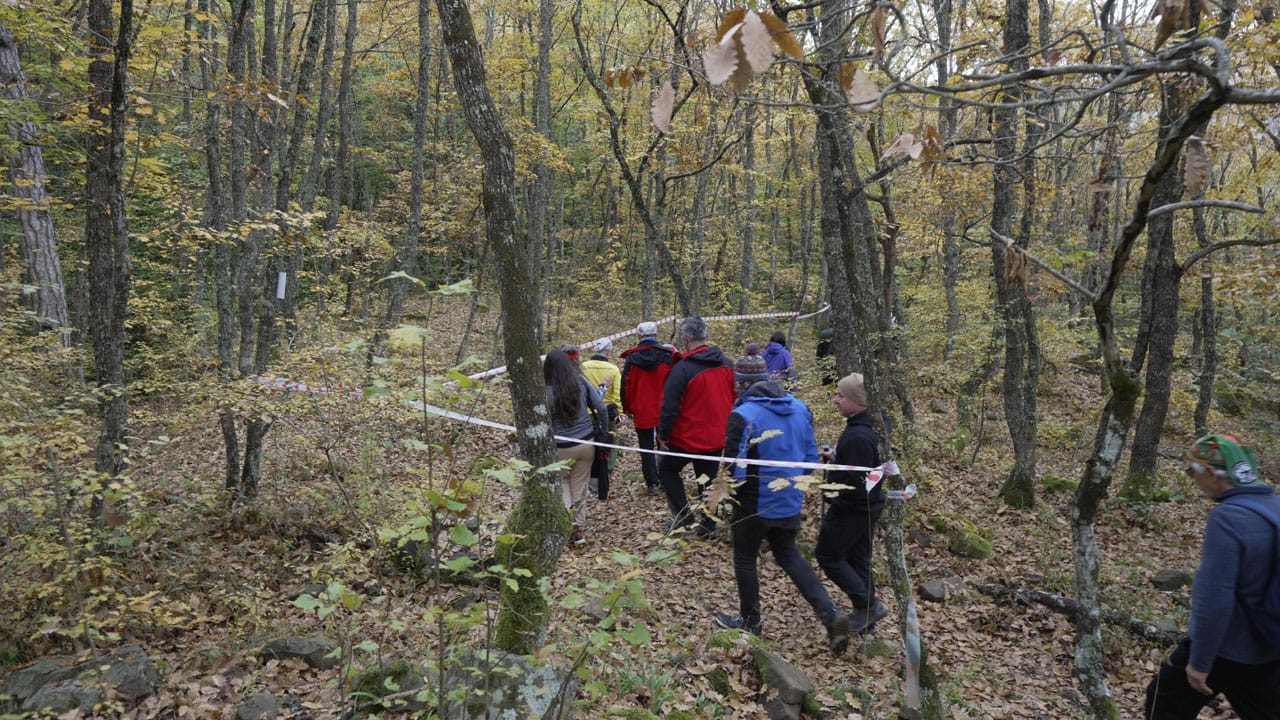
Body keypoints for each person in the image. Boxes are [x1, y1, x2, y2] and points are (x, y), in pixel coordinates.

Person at [713, 352, 853, 654]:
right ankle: (831, 616)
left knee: (745, 558)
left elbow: (733, 462)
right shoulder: (800, 408)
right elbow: (809, 456)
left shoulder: (743, 414)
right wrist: (796, 489)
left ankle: (751, 622)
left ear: (744, 383)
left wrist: (725, 496)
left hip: (753, 499)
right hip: (789, 496)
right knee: (789, 557)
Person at [1144, 434, 1280, 720]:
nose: (1194, 481)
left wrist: (1200, 661)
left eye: (1193, 472)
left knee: (1164, 699)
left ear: (1212, 473)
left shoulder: (1228, 518)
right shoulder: (1276, 508)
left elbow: (1214, 598)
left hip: (1227, 647)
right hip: (1269, 645)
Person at [817, 372, 888, 635]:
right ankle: (867, 617)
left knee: (827, 554)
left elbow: (859, 481)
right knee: (859, 561)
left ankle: (867, 605)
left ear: (858, 401)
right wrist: (835, 457)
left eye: (841, 396)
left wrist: (837, 496)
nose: (836, 400)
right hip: (864, 507)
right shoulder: (862, 429)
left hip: (853, 509)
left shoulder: (859, 435)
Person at [657, 316, 735, 537]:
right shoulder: (727, 364)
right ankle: (707, 527)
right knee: (707, 480)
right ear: (706, 336)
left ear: (685, 338)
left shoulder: (682, 369)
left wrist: (663, 435)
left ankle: (684, 518)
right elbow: (735, 398)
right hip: (716, 437)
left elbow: (669, 406)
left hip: (685, 438)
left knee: (667, 469)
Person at [543, 349, 608, 546]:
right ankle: (577, 528)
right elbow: (602, 407)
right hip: (586, 444)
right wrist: (604, 430)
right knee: (579, 485)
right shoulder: (581, 382)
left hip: (560, 446)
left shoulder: (546, 392)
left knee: (563, 484)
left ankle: (567, 525)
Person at [621, 321, 678, 495]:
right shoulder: (668, 356)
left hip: (642, 408)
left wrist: (628, 408)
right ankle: (666, 479)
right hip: (665, 409)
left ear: (639, 336)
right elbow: (675, 383)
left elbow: (626, 386)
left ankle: (652, 483)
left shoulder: (632, 359)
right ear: (656, 335)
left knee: (646, 448)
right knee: (666, 445)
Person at [581, 338, 622, 500]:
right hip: (608, 412)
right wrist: (621, 413)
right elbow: (617, 393)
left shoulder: (583, 367)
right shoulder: (613, 369)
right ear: (608, 351)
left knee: (589, 442)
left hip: (587, 412)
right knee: (610, 442)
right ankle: (608, 472)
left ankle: (590, 475)